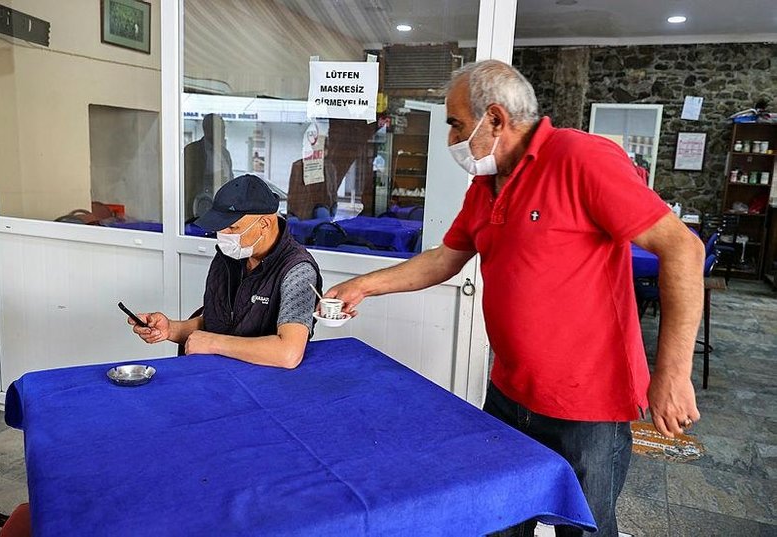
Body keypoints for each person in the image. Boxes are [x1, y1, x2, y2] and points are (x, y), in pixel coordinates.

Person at [324, 60, 704, 537]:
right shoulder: (485, 186)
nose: (451, 140)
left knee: (582, 529)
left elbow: (683, 249)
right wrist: (363, 285)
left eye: (456, 125)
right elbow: (444, 260)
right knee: (498, 519)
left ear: (496, 119)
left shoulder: (579, 157)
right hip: (509, 393)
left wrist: (672, 373)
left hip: (587, 406)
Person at [130, 174, 322, 368]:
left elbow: (288, 353)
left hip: (262, 380)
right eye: (220, 227)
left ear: (264, 224)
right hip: (216, 373)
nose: (223, 236)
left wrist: (214, 343)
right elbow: (215, 322)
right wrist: (170, 329)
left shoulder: (298, 270)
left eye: (232, 227)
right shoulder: (229, 256)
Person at [184, 113, 234, 223]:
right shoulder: (193, 150)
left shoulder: (224, 153)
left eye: (223, 129)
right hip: (199, 209)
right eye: (219, 128)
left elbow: (230, 177)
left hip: (223, 209)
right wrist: (214, 178)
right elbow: (188, 180)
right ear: (207, 129)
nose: (223, 133)